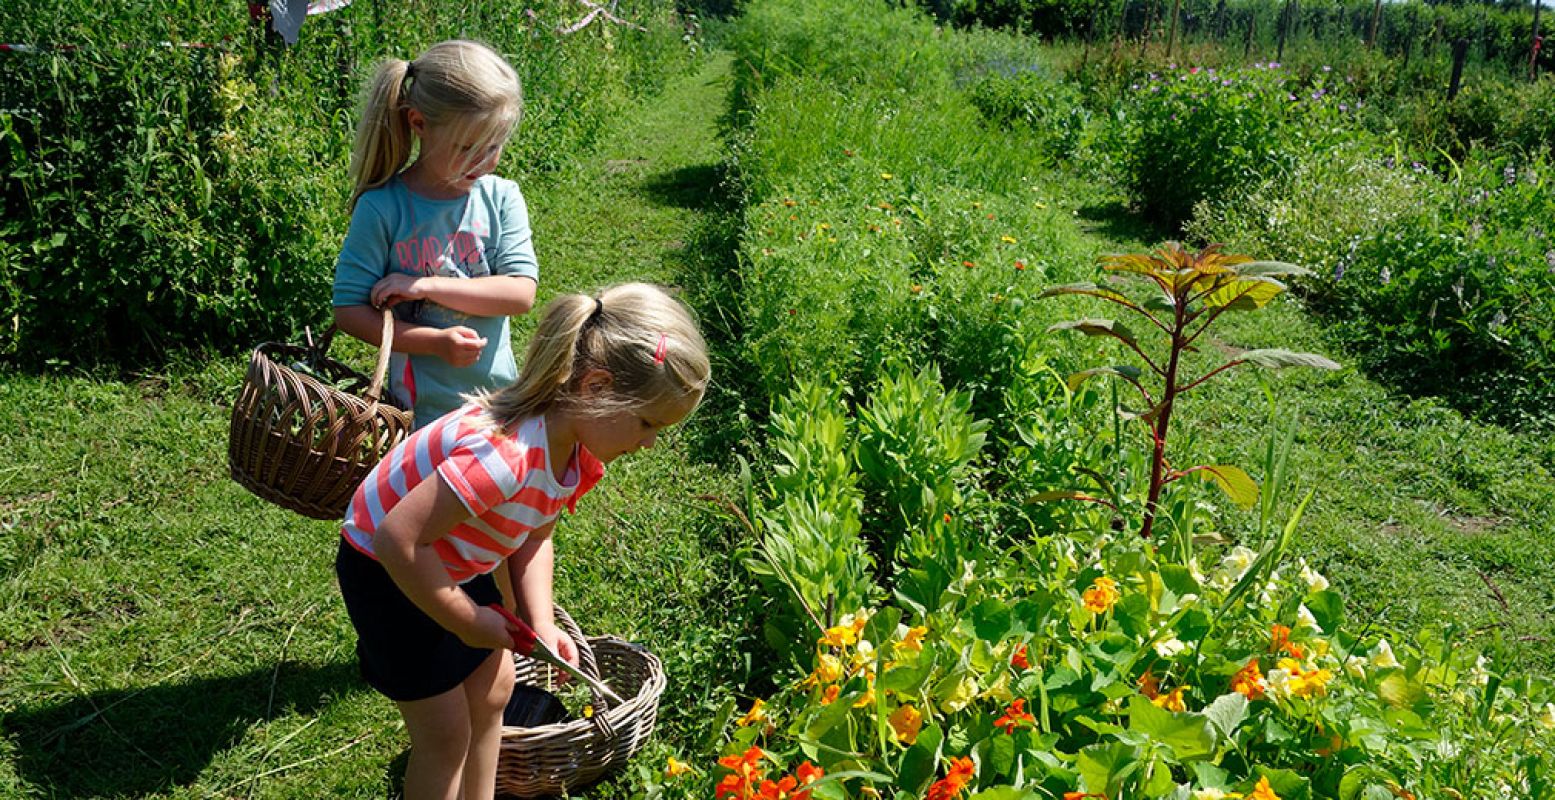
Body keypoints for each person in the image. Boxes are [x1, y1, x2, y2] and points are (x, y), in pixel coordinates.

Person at [335, 283, 710, 800]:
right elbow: (398, 539)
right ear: (597, 387)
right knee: (444, 735)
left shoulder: (572, 454)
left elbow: (535, 533)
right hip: (386, 568)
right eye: (648, 423)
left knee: (493, 692)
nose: (648, 443)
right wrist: (468, 621)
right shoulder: (503, 458)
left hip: (448, 555)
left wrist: (539, 619)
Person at [333, 39, 538, 429]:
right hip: (417, 416)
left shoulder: (501, 198)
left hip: (497, 406)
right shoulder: (383, 207)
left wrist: (424, 286)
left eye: (494, 145)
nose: (485, 161)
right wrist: (434, 342)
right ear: (419, 124)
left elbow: (520, 292)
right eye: (468, 147)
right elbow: (349, 312)